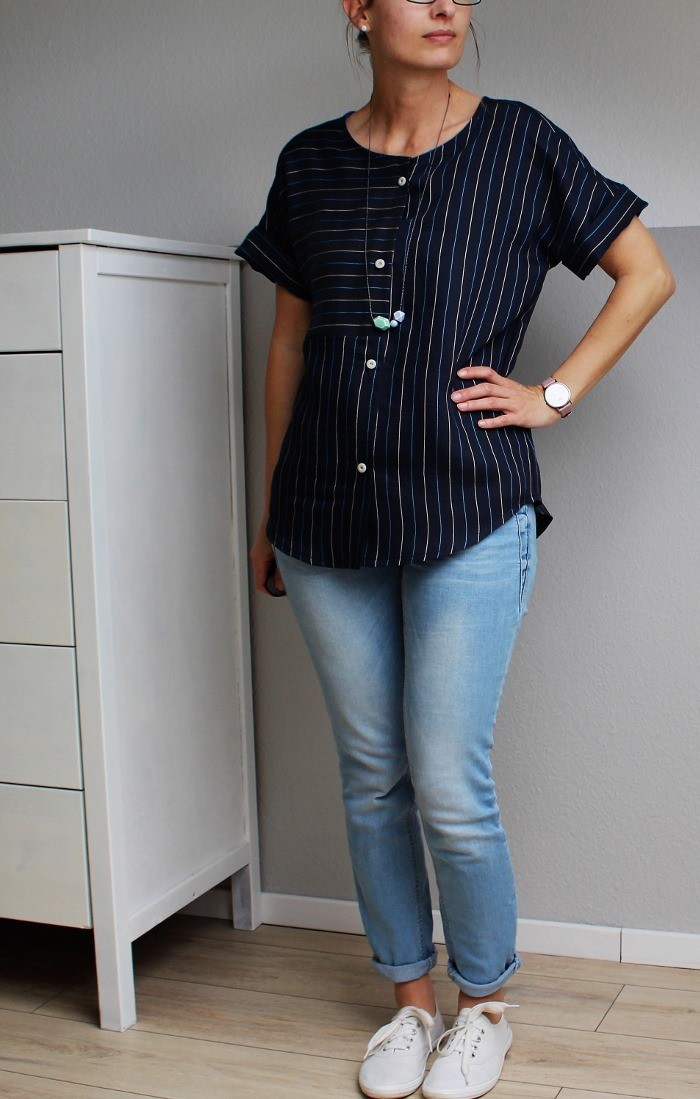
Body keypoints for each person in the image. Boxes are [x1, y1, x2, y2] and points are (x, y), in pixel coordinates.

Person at [235, 2, 675, 1095]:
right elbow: (289, 343)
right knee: (371, 777)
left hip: (467, 506)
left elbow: (647, 273)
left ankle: (484, 1006)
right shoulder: (308, 163)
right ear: (358, 10)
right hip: (323, 513)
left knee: (447, 779)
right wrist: (270, 505)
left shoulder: (522, 142)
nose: (444, 7)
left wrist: (552, 394)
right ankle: (408, 1005)